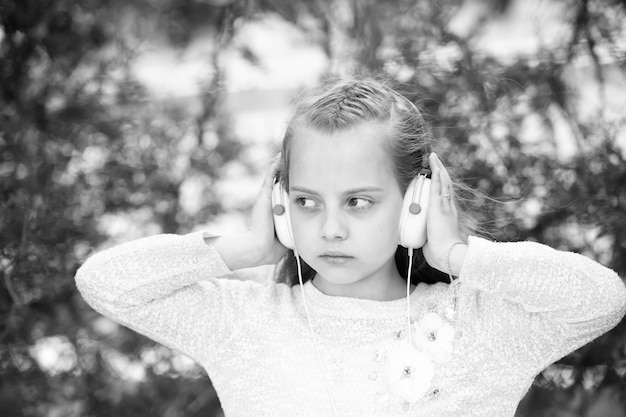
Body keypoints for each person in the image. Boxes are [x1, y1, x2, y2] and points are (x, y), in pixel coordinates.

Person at [75, 77, 626, 417]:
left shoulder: (480, 326)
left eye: (358, 202)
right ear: (280, 207)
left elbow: (602, 299)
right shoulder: (245, 323)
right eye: (307, 202)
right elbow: (104, 283)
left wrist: (459, 255)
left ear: (417, 202)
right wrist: (243, 249)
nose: (330, 229)